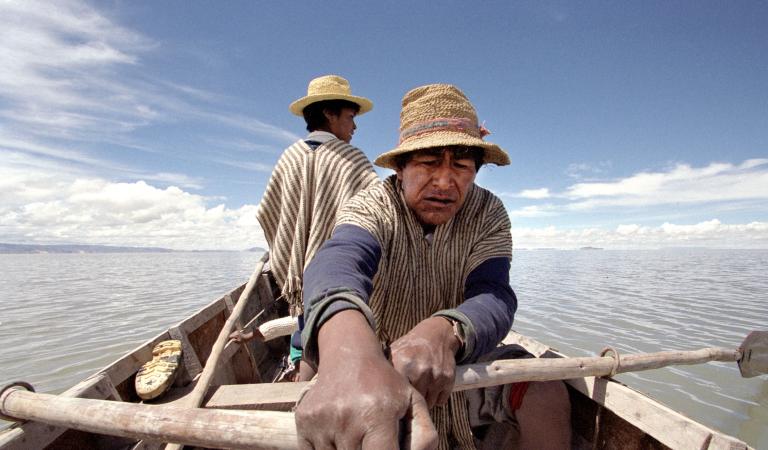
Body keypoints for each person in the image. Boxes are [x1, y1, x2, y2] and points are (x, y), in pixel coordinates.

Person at [294, 84, 571, 449]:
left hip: (459, 359)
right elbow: (338, 261)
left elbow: (494, 292)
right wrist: (351, 355)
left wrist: (445, 331)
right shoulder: (374, 205)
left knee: (546, 390)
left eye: (460, 165)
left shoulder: (488, 213)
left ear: (476, 170)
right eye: (427, 163)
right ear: (401, 167)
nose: (444, 181)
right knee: (313, 380)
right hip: (376, 352)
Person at [230, 75, 379, 378]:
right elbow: (380, 209)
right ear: (329, 113)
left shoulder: (289, 157)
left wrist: (291, 250)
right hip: (342, 272)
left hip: (297, 277)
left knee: (303, 330)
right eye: (350, 116)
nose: (355, 126)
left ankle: (301, 372)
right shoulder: (352, 159)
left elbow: (268, 213)